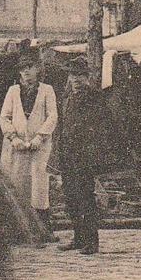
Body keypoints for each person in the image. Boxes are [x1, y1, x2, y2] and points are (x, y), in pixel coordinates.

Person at [56, 65, 114, 255]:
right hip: (67, 154)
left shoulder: (95, 97)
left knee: (85, 198)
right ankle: (78, 237)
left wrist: (94, 153)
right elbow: (62, 124)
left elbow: (102, 127)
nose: (77, 80)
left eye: (81, 76)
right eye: (74, 75)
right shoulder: (66, 97)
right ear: (69, 77)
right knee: (71, 198)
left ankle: (91, 241)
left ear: (87, 77)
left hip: (84, 156)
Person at [0, 55, 58, 234]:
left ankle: (43, 230)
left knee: (39, 186)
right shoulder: (13, 91)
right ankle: (18, 230)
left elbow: (52, 116)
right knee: (16, 184)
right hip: (15, 147)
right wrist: (13, 137)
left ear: (37, 69)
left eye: (30, 67)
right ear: (19, 71)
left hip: (39, 146)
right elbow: (4, 117)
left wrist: (39, 138)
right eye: (23, 68)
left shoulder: (47, 90)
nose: (26, 71)